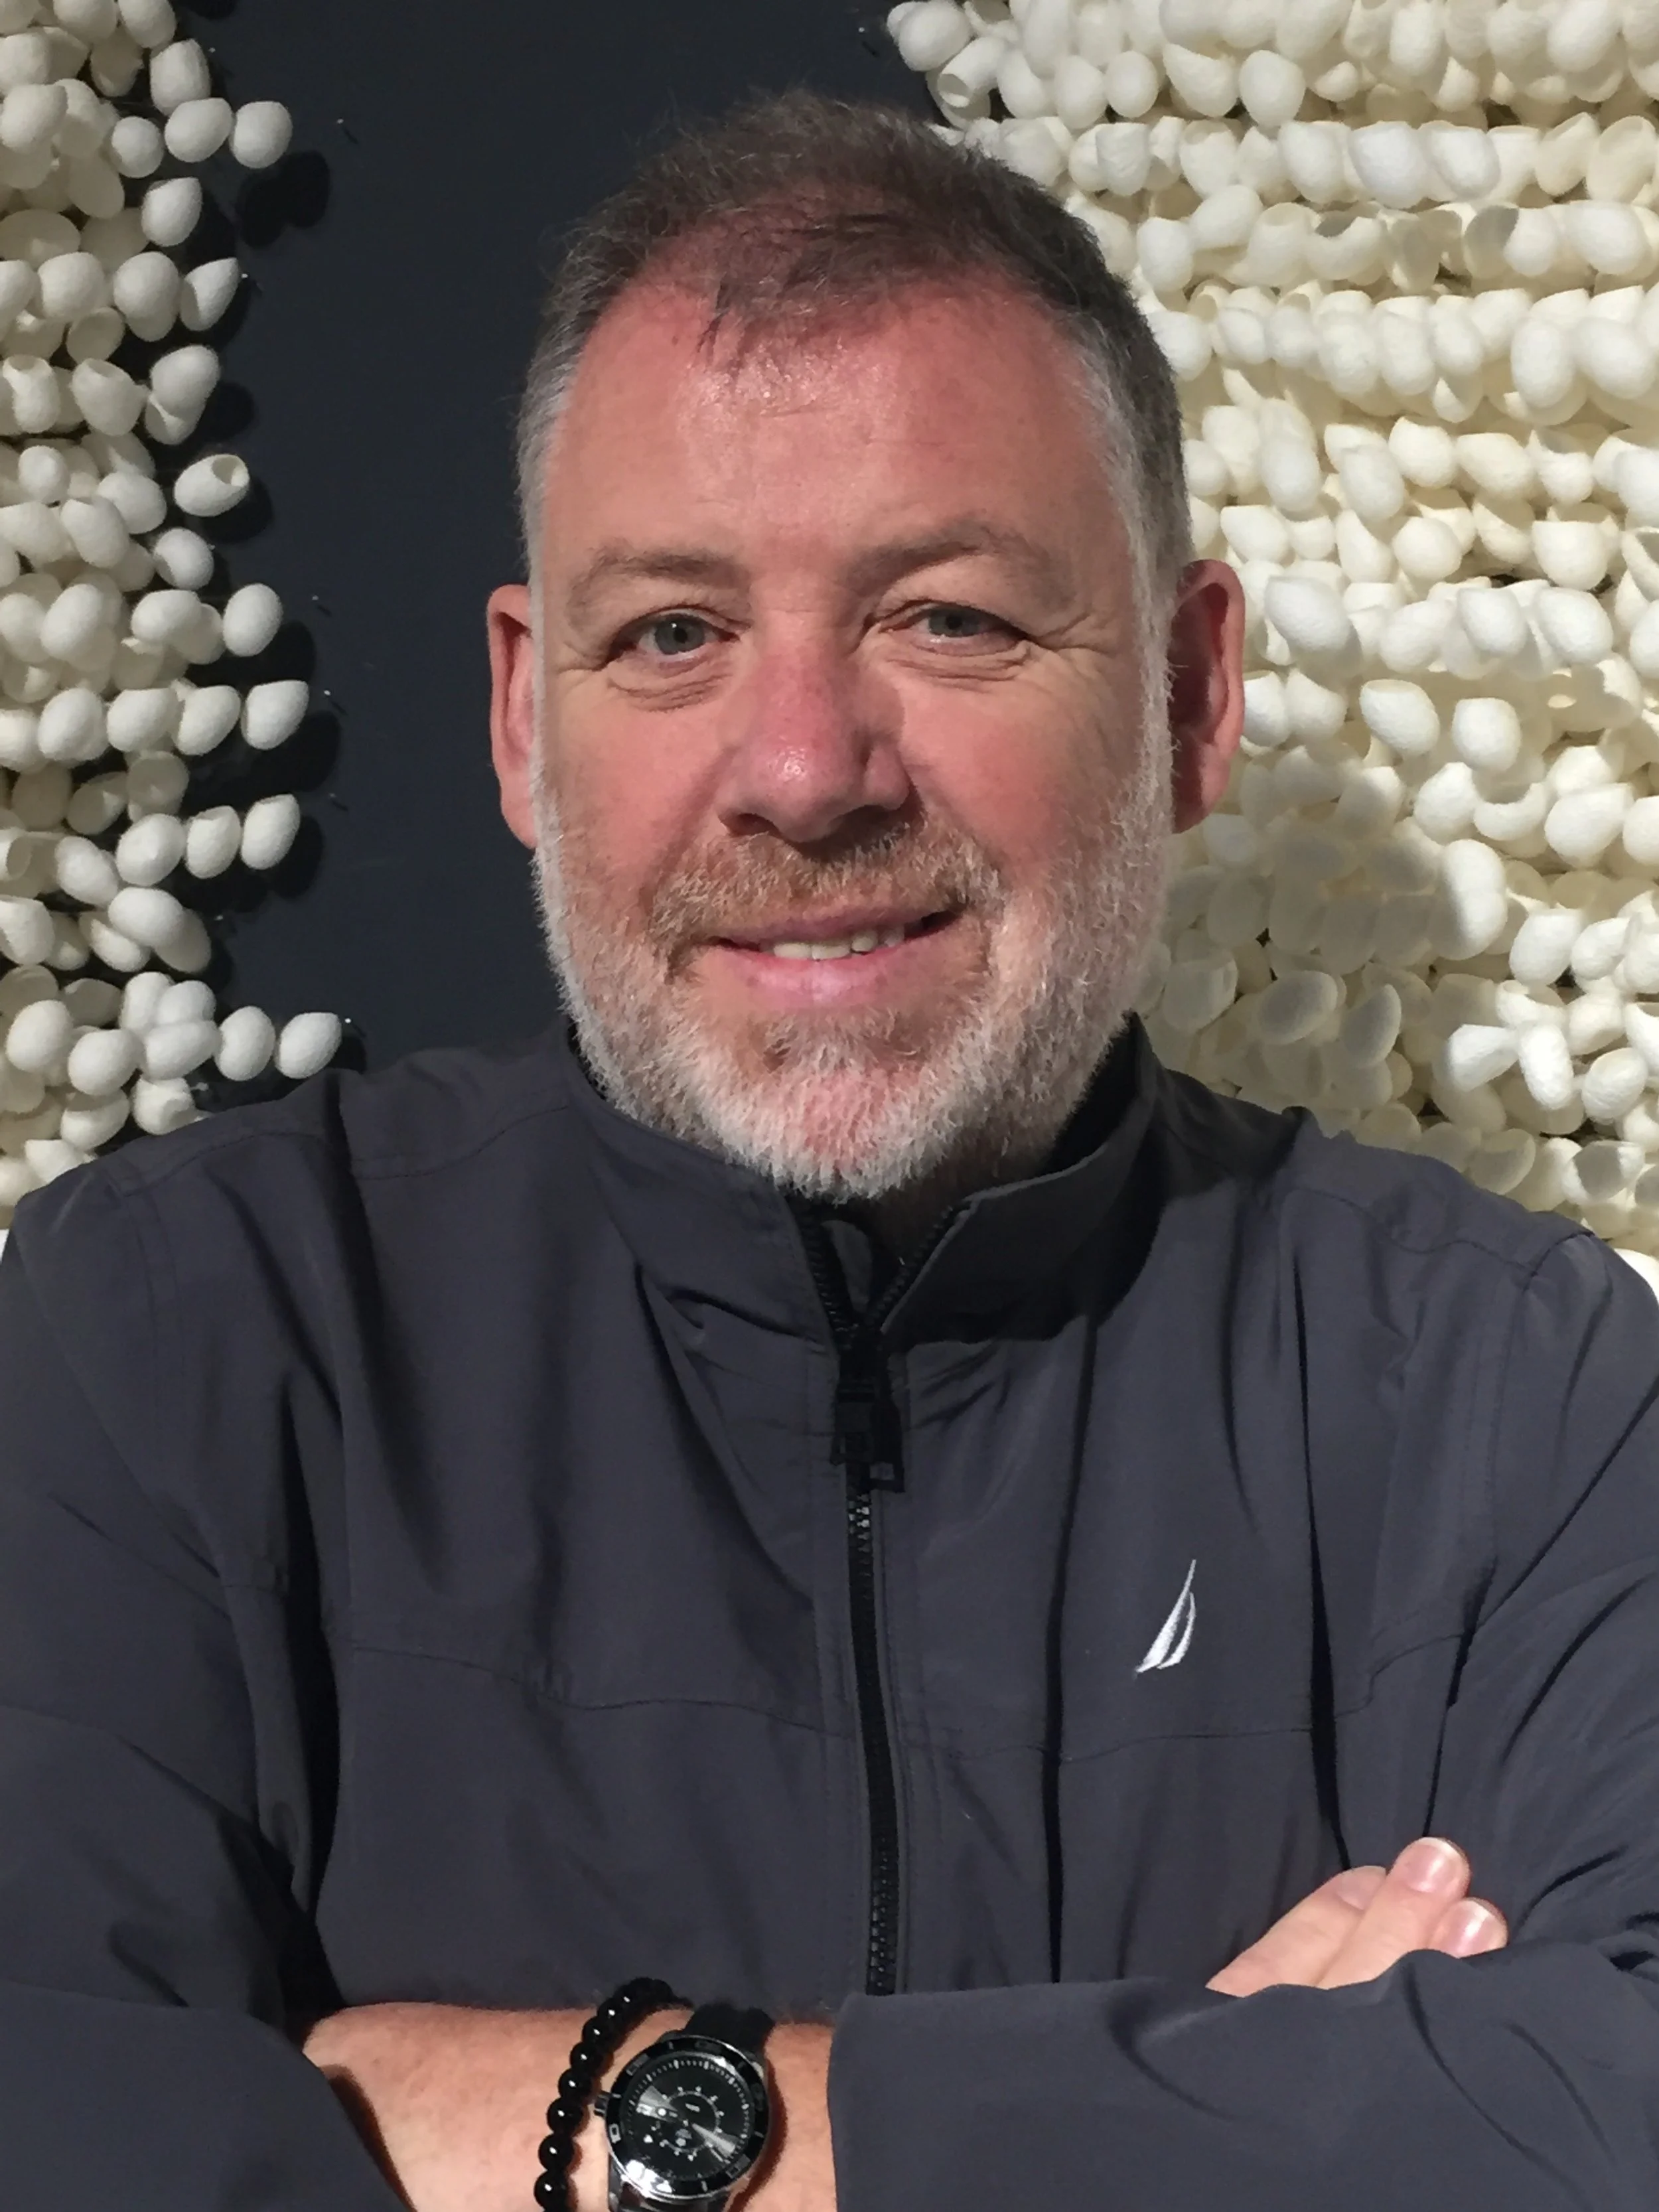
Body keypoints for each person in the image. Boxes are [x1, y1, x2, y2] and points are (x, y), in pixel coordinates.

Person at [3, 88, 1659, 2212]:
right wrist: (1238, 2126)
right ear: (528, 720)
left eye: (947, 615)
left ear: (1185, 696)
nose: (799, 771)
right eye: (673, 633)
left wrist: (547, 2129)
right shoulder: (167, 1334)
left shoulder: (1515, 1399)